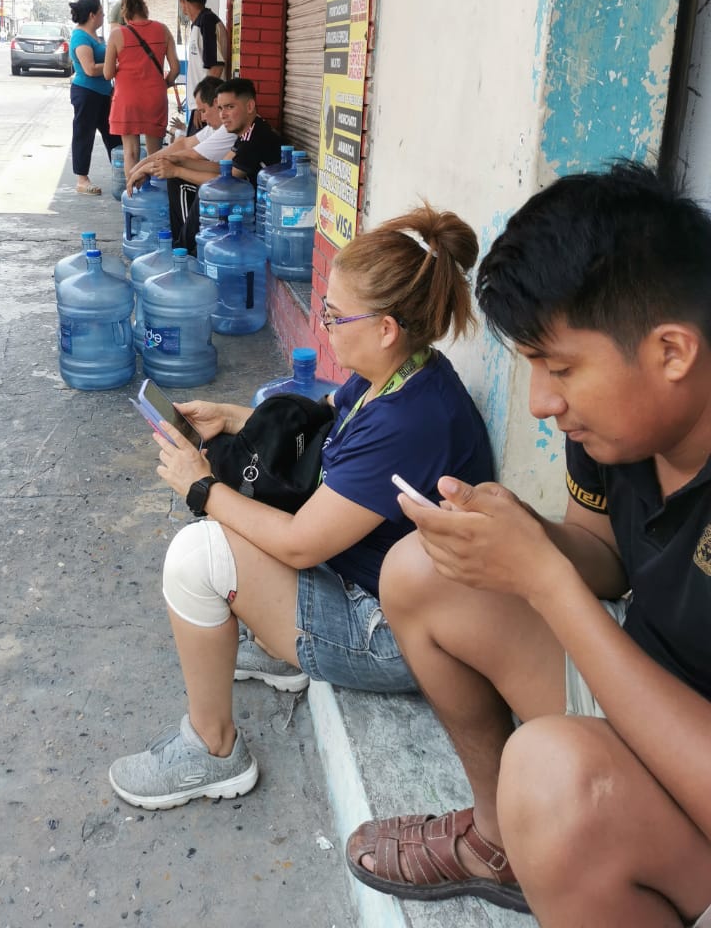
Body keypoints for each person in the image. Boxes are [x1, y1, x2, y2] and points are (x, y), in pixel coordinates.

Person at [345, 163, 711, 926]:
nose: (544, 403)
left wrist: (544, 580)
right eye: (534, 367)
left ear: (672, 351)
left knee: (552, 777)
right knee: (423, 571)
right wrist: (520, 534)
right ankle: (498, 844)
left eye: (562, 368)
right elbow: (602, 557)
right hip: (639, 687)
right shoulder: (619, 431)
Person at [108, 206, 494, 810]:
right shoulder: (399, 374)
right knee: (237, 522)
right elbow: (326, 434)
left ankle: (213, 751)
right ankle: (276, 647)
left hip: (391, 633)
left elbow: (299, 544)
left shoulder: (410, 420)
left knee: (198, 554)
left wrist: (202, 486)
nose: (325, 325)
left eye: (335, 316)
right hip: (373, 584)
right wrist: (235, 418)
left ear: (388, 327)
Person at [145, 78, 281, 252]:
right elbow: (222, 167)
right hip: (246, 199)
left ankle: (185, 251)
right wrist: (180, 161)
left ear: (249, 107)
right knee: (186, 181)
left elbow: (223, 179)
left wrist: (177, 170)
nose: (223, 115)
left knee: (204, 190)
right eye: (220, 108)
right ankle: (182, 246)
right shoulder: (248, 131)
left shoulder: (256, 138)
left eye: (230, 107)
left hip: (258, 211)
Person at [103, 0, 181, 176]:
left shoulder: (116, 35)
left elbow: (107, 74)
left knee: (131, 152)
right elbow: (175, 68)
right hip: (154, 97)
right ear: (145, 9)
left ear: (125, 13)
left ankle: (133, 195)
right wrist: (165, 84)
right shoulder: (162, 30)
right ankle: (154, 198)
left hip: (127, 99)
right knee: (155, 153)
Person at [125, 75, 235, 199]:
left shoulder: (229, 128)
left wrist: (146, 169)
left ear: (216, 103)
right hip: (223, 183)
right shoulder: (217, 126)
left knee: (176, 178)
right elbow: (183, 144)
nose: (202, 118)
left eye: (203, 111)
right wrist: (142, 164)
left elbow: (190, 155)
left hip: (234, 193)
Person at [68, 0, 120, 195]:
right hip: (86, 92)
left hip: (103, 93)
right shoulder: (80, 37)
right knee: (84, 134)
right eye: (100, 13)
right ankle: (82, 179)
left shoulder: (97, 36)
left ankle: (122, 173)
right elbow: (89, 68)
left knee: (113, 134)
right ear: (92, 15)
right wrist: (115, 67)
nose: (103, 16)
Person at [177, 0, 228, 84]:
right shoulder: (200, 23)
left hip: (207, 100)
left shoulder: (207, 22)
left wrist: (204, 100)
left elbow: (216, 68)